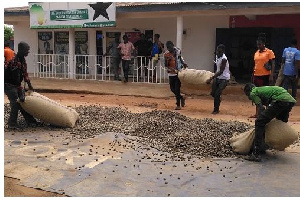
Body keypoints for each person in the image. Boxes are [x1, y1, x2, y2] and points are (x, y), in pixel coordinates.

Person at [243, 83, 296, 162]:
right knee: (279, 122)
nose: (249, 98)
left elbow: (261, 108)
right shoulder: (262, 90)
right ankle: (281, 145)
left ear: (248, 91)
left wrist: (262, 120)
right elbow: (269, 109)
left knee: (259, 122)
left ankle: (256, 153)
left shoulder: (253, 92)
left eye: (247, 95)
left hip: (279, 100)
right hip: (289, 100)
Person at [4, 41, 38, 129]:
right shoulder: (15, 62)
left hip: (15, 85)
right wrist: (21, 89)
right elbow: (15, 79)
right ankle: (12, 124)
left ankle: (30, 121)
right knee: (16, 103)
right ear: (22, 50)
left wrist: (30, 86)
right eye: (27, 50)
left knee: (23, 102)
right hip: (9, 85)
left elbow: (25, 73)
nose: (28, 52)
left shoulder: (22, 60)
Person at [251, 33, 276, 118]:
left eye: (260, 44)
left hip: (265, 76)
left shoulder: (269, 52)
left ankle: (266, 113)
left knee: (266, 95)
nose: (258, 46)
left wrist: (271, 75)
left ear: (263, 44)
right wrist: (253, 74)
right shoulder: (256, 53)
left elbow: (273, 64)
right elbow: (255, 64)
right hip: (256, 75)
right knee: (256, 94)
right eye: (257, 44)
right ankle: (257, 113)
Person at [206, 44, 230, 114]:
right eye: (217, 51)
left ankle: (216, 109)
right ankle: (219, 98)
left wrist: (211, 78)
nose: (217, 52)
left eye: (219, 51)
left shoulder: (224, 59)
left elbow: (221, 71)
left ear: (223, 52)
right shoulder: (217, 56)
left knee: (217, 94)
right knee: (213, 93)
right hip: (217, 77)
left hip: (224, 78)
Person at [164, 41, 187, 110]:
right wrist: (171, 69)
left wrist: (184, 64)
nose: (169, 49)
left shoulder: (178, 51)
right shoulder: (166, 54)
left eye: (170, 47)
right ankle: (181, 97)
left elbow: (180, 59)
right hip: (171, 73)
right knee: (172, 88)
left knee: (177, 89)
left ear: (173, 46)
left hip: (178, 73)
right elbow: (165, 65)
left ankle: (178, 105)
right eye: (168, 48)